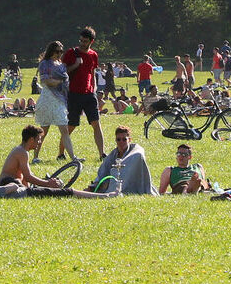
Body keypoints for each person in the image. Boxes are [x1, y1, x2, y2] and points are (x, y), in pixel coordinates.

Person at [61, 27, 105, 161]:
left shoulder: (93, 55)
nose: (82, 43)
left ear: (91, 41)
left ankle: (102, 153)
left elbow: (92, 72)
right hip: (74, 93)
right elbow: (62, 72)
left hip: (89, 94)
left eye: (85, 41)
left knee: (96, 123)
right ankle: (61, 153)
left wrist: (94, 88)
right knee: (71, 125)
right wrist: (75, 64)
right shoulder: (71, 53)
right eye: (80, 40)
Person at [0, 127, 76, 190]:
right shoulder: (22, 152)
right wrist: (48, 184)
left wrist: (42, 183)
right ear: (31, 139)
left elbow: (26, 176)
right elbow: (28, 177)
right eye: (38, 139)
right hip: (8, 182)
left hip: (14, 181)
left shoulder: (22, 150)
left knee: (30, 190)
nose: (39, 142)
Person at [32, 40, 72, 162]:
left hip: (60, 99)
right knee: (44, 130)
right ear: (51, 51)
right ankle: (35, 157)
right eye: (57, 51)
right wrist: (59, 82)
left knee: (64, 129)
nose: (59, 54)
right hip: (49, 98)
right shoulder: (45, 63)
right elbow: (45, 81)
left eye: (61, 51)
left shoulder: (60, 64)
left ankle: (73, 157)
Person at [92, 126, 155, 195]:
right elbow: (104, 169)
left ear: (129, 140)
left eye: (124, 139)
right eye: (118, 139)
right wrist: (95, 185)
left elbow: (137, 155)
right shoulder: (114, 154)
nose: (121, 142)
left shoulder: (136, 150)